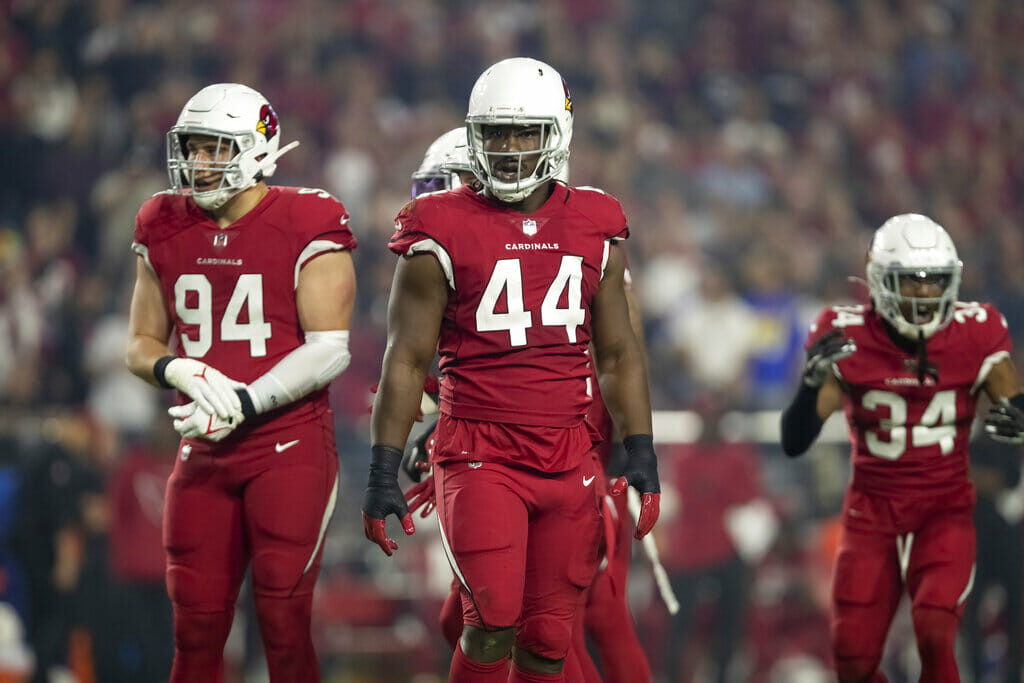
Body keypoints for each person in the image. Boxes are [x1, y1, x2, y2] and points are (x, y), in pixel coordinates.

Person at [361, 57, 660, 683]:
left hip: (571, 450)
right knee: (488, 619)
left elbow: (618, 352)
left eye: (525, 132)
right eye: (496, 133)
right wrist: (381, 467)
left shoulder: (597, 220)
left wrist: (641, 450)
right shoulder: (435, 226)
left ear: (558, 133)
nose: (509, 148)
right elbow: (406, 356)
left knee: (552, 638)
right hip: (481, 451)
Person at [125, 83, 357, 683]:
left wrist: (246, 400)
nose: (199, 164)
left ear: (258, 150)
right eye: (192, 149)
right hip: (201, 449)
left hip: (288, 447)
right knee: (195, 634)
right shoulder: (162, 220)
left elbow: (330, 349)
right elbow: (140, 344)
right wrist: (180, 368)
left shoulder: (307, 217)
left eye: (215, 149)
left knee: (282, 626)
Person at [780, 213, 1024, 682]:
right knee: (851, 657)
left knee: (935, 631)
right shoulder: (845, 334)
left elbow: (1010, 394)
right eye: (911, 281)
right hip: (873, 512)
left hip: (944, 509)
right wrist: (810, 388)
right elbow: (794, 441)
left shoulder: (977, 329)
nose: (926, 294)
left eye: (935, 282)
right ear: (879, 280)